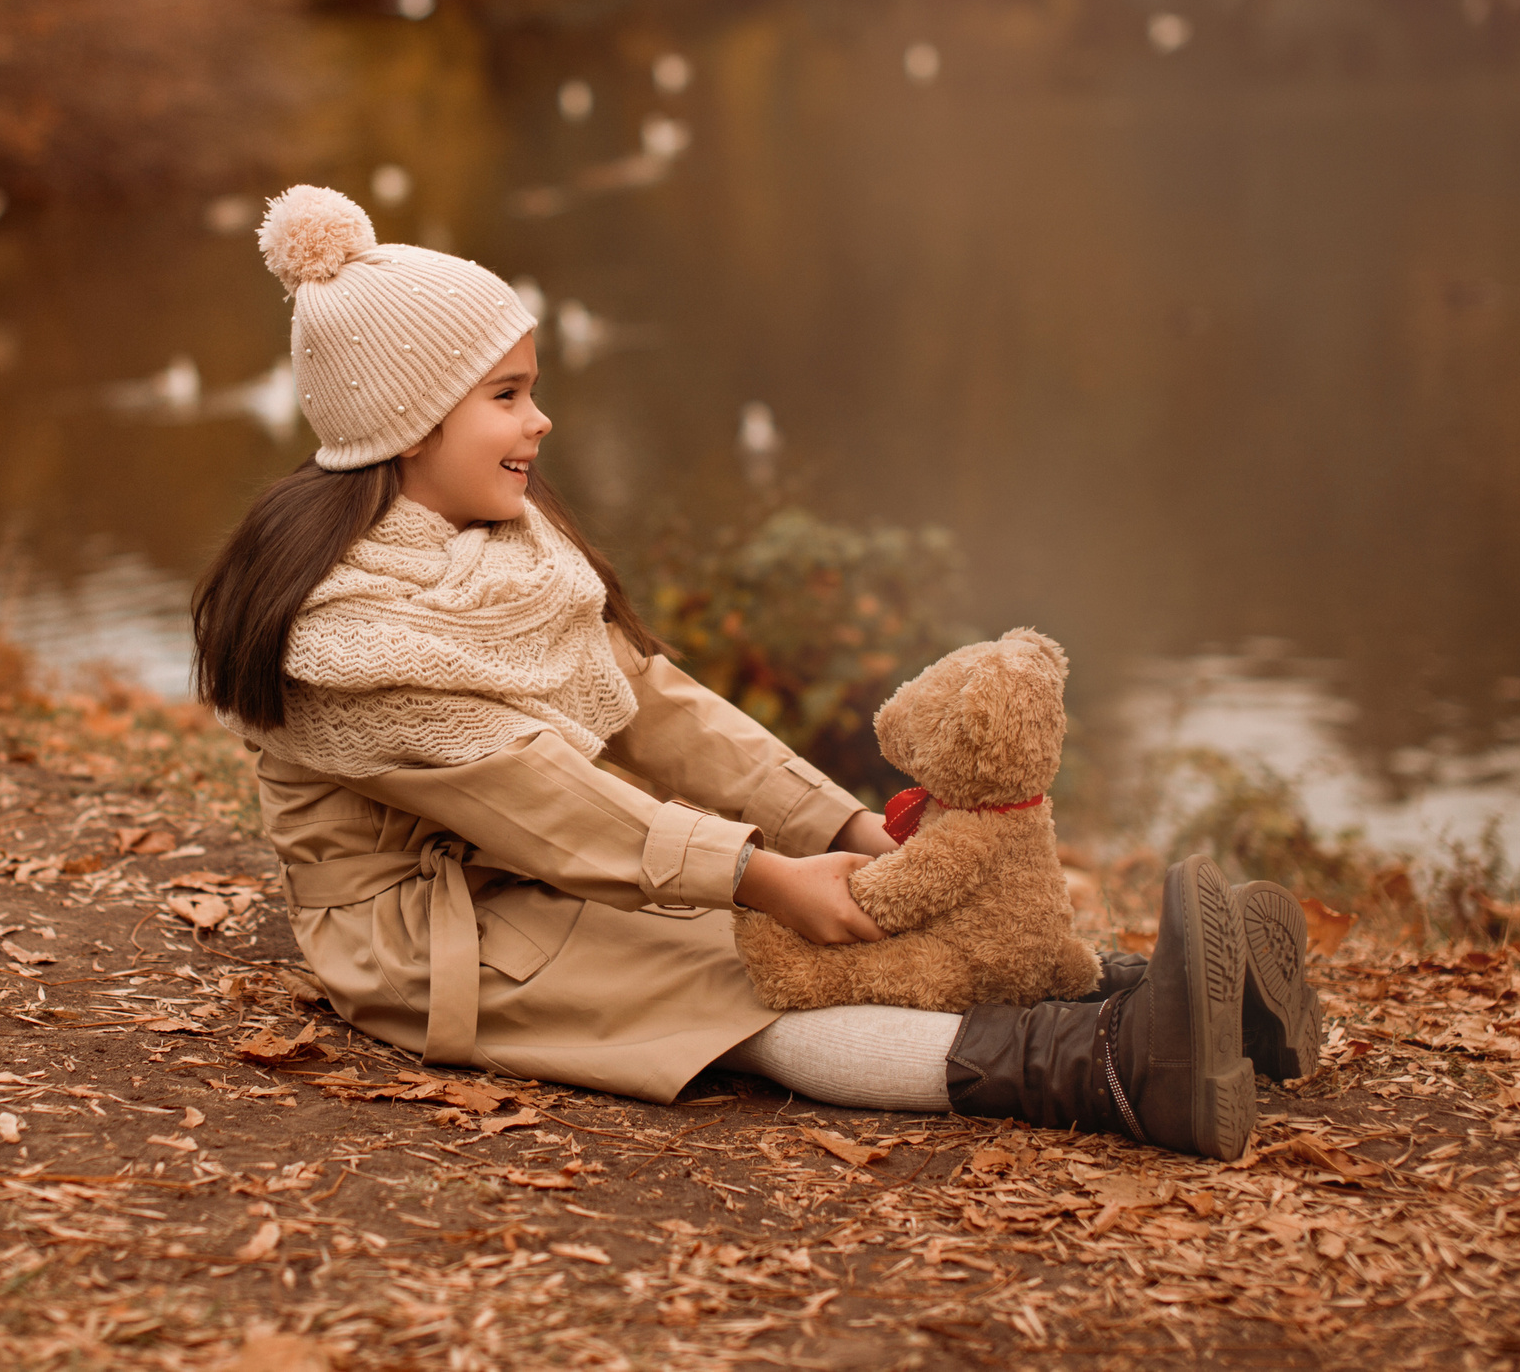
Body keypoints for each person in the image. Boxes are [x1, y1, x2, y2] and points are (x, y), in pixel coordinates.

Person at [190, 186, 1322, 1159]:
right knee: (753, 980)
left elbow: (656, 709)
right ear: (407, 421)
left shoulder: (505, 555)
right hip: (439, 938)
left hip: (539, 873)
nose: (541, 419)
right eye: (505, 396)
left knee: (837, 921)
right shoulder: (342, 636)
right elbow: (538, 797)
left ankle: (1150, 1000)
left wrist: (834, 829)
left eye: (531, 387)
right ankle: (1118, 1068)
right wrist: (756, 878)